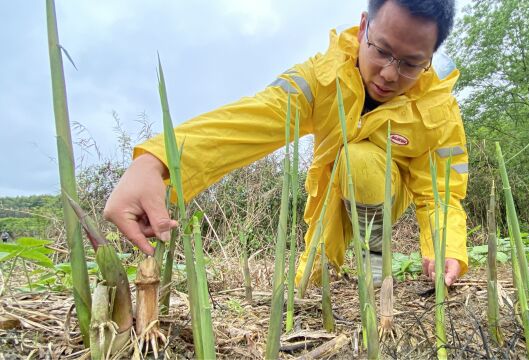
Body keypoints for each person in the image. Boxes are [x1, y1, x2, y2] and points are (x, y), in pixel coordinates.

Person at [104, 0, 468, 288]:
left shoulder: (438, 108)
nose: (389, 74)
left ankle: (373, 251)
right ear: (362, 29)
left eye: (410, 64)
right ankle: (332, 261)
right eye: (382, 51)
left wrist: (445, 248)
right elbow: (253, 119)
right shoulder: (320, 77)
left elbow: (440, 191)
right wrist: (156, 161)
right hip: (331, 190)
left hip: (386, 193)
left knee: (360, 157)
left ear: (430, 59)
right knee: (309, 282)